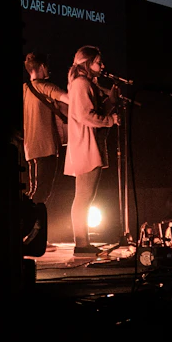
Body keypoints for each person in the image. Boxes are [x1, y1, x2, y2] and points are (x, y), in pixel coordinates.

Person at [63, 46, 118, 256]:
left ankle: (83, 241)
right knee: (84, 197)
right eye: (98, 62)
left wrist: (111, 102)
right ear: (86, 63)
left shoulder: (86, 84)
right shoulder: (80, 84)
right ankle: (81, 243)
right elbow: (86, 116)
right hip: (85, 146)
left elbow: (94, 111)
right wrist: (110, 120)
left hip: (88, 144)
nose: (102, 66)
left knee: (86, 196)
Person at [22, 52, 69, 253]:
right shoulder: (45, 86)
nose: (49, 70)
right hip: (46, 147)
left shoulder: (24, 89)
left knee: (35, 192)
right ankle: (32, 236)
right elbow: (68, 98)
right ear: (41, 66)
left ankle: (31, 235)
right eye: (47, 66)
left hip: (31, 148)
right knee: (40, 194)